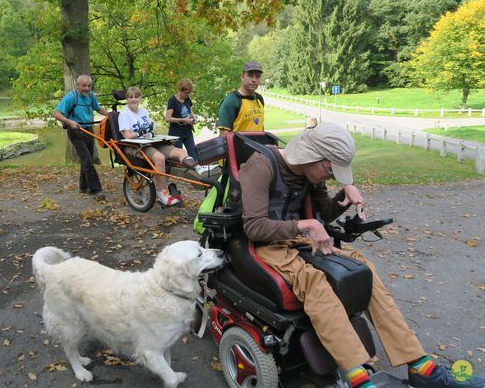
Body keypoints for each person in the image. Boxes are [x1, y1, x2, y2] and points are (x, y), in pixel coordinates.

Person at [239, 122, 485, 388]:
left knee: (362, 268)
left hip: (300, 241)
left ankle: (420, 365)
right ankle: (359, 378)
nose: (332, 177)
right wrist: (306, 225)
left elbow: (321, 215)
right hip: (267, 246)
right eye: (331, 169)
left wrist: (341, 199)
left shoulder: (311, 175)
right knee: (315, 282)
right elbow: (253, 227)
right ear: (312, 156)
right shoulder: (260, 165)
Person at [118, 86, 209, 207]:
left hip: (150, 141)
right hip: (136, 146)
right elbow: (128, 136)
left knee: (180, 152)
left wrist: (149, 132)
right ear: (127, 99)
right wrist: (142, 132)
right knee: (159, 158)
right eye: (130, 97)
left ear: (140, 98)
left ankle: (198, 168)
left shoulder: (143, 111)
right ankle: (162, 194)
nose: (133, 99)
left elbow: (151, 128)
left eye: (136, 97)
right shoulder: (124, 115)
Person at [53, 75, 108, 199]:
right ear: (77, 85)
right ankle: (96, 190)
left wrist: (111, 116)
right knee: (87, 159)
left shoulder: (91, 96)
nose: (87, 88)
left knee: (87, 158)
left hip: (88, 130)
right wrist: (70, 122)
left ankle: (83, 187)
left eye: (89, 86)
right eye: (84, 85)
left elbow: (98, 108)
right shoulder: (72, 97)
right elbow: (56, 113)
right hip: (75, 131)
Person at [217, 61, 265, 136]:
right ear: (242, 77)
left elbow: (260, 127)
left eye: (257, 76)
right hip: (238, 147)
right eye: (250, 76)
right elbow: (224, 135)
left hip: (257, 147)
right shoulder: (232, 101)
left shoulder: (259, 99)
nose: (254, 80)